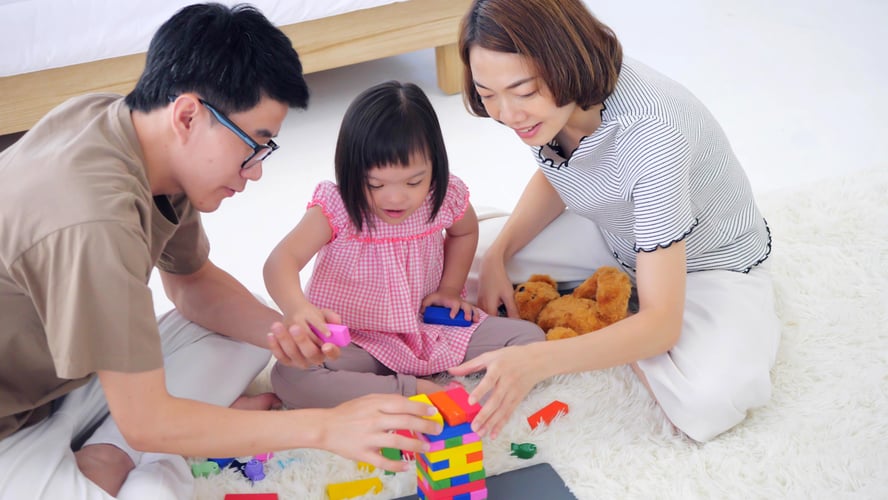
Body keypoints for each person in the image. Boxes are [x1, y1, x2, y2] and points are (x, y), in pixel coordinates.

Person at [0, 5, 442, 500]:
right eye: (253, 144)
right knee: (152, 482)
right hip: (10, 423)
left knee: (252, 325)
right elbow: (145, 419)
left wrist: (287, 333)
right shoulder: (93, 219)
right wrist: (325, 428)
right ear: (188, 115)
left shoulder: (134, 135)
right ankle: (142, 460)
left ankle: (116, 451)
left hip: (67, 373)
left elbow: (191, 281)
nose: (254, 170)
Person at [449, 0, 780, 443]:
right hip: (614, 233)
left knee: (709, 401)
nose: (508, 115)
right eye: (488, 94)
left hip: (707, 265)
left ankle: (625, 321)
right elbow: (562, 172)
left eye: (523, 92)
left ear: (564, 62)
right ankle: (623, 311)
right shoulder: (551, 112)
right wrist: (499, 256)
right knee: (459, 261)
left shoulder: (653, 134)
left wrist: (543, 359)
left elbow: (663, 324)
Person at [263, 81, 544, 409]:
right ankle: (415, 390)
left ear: (434, 168)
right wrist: (298, 309)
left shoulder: (441, 196)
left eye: (414, 181)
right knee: (290, 377)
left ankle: (385, 383)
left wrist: (450, 289)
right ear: (350, 171)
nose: (396, 197)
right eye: (375, 184)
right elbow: (280, 260)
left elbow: (464, 232)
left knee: (530, 340)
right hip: (358, 342)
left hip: (427, 329)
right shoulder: (336, 208)